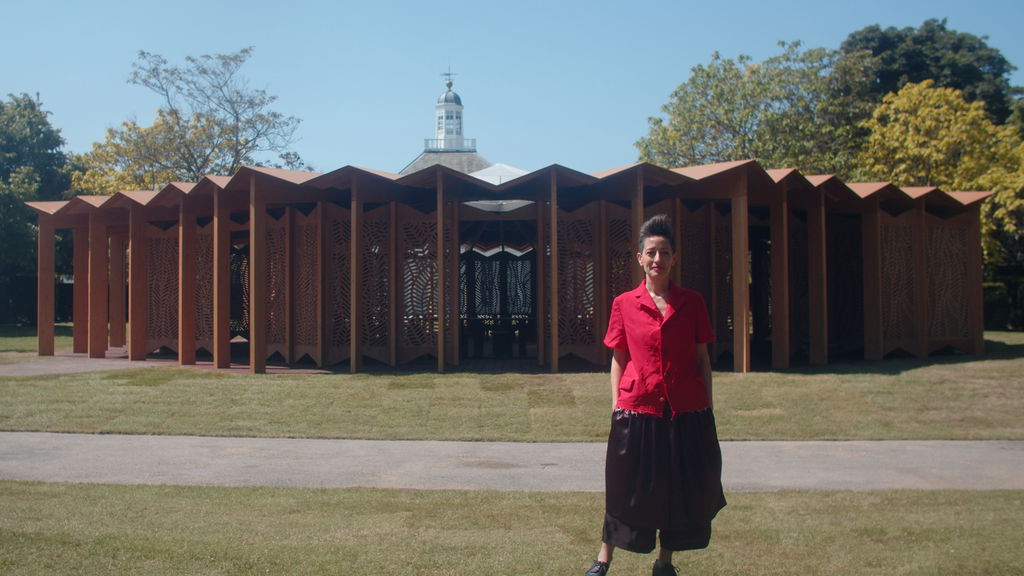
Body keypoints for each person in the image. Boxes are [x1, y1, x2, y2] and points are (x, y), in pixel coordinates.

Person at [583, 214, 726, 576]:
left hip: (685, 411)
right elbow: (619, 359)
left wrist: (707, 408)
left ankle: (664, 563)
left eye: (664, 252)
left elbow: (702, 360)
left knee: (677, 488)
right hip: (637, 410)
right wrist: (617, 406)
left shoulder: (692, 303)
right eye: (651, 253)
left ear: (675, 258)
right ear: (639, 259)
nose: (657, 259)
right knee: (624, 487)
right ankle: (603, 559)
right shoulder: (624, 304)